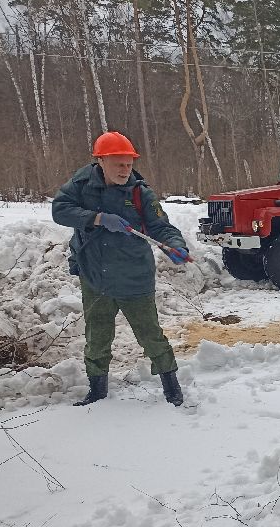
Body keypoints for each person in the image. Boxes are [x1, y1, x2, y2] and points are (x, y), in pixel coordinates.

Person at [52, 131, 191, 407]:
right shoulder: (80, 185)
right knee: (97, 337)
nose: (125, 170)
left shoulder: (140, 192)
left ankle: (172, 388)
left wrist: (175, 245)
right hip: (95, 276)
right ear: (101, 161)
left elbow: (161, 227)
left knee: (150, 334)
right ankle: (97, 390)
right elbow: (60, 210)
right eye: (118, 164)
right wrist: (97, 218)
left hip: (133, 277)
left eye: (128, 164)